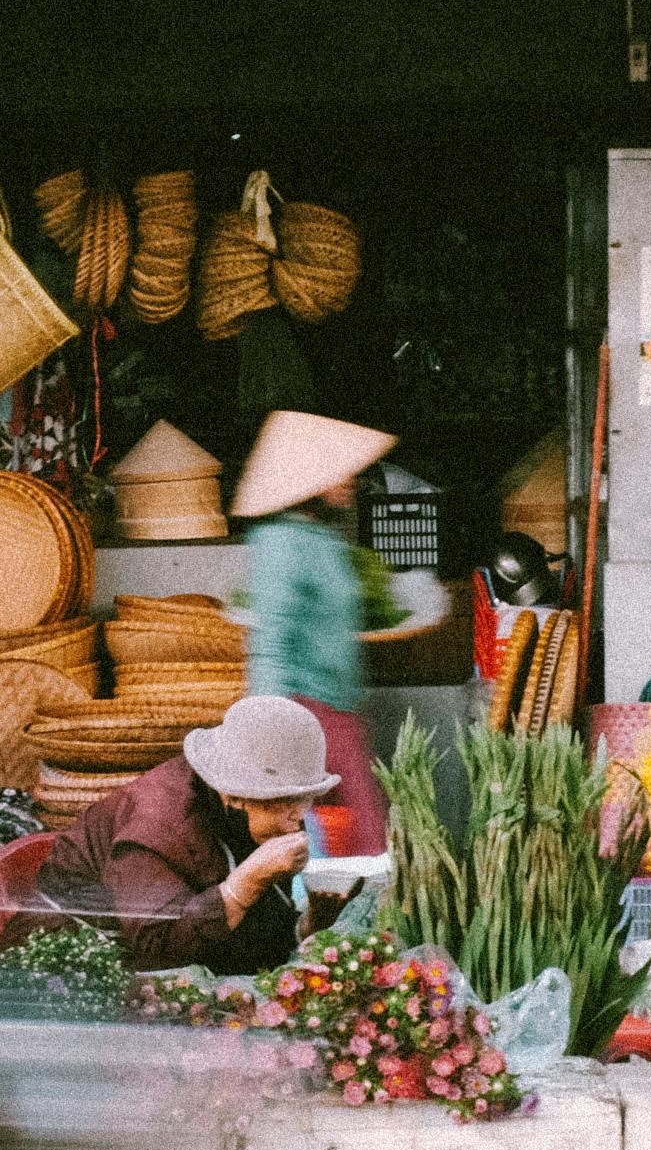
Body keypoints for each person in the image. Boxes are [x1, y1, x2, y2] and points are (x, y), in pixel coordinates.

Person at [32, 695, 360, 973]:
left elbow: (257, 929)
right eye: (285, 799)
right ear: (235, 794)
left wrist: (307, 925)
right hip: (80, 962)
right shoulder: (158, 827)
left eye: (305, 797)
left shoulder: (261, 815)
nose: (298, 814)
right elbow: (158, 949)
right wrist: (247, 881)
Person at [228, 410, 399, 851]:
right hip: (308, 716)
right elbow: (270, 643)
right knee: (336, 842)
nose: (351, 480)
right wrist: (268, 730)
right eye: (338, 473)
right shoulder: (280, 543)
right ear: (309, 481)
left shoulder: (323, 538)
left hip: (341, 715)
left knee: (359, 838)